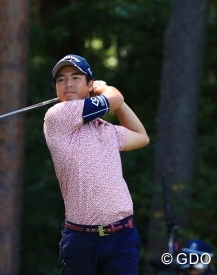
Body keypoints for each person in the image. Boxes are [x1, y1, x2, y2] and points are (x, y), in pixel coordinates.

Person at [43, 54, 150, 274]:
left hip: (122, 235)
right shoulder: (57, 115)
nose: (68, 84)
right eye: (61, 80)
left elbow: (141, 136)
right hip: (81, 239)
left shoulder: (104, 128)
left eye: (75, 77)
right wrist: (105, 89)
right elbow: (115, 96)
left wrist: (115, 101)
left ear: (89, 85)